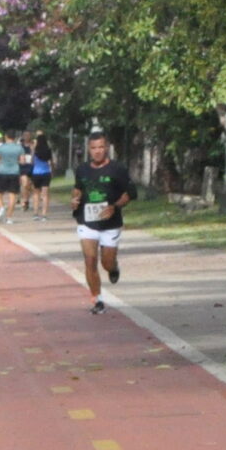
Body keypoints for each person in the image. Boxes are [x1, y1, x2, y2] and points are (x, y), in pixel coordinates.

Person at [72, 131, 134, 314]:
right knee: (90, 260)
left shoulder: (118, 169)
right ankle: (97, 299)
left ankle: (113, 268)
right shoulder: (82, 169)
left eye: (101, 147)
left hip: (110, 223)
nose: (97, 151)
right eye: (93, 148)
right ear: (88, 150)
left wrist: (115, 206)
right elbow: (78, 189)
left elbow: (129, 193)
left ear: (106, 148)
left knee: (106, 263)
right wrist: (75, 199)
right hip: (87, 221)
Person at [0, 131, 28, 223]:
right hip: (14, 172)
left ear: (6, 137)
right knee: (13, 195)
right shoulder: (19, 148)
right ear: (14, 138)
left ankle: (1, 208)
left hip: (2, 172)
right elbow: (23, 161)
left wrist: (2, 161)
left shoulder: (1, 147)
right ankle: (9, 217)